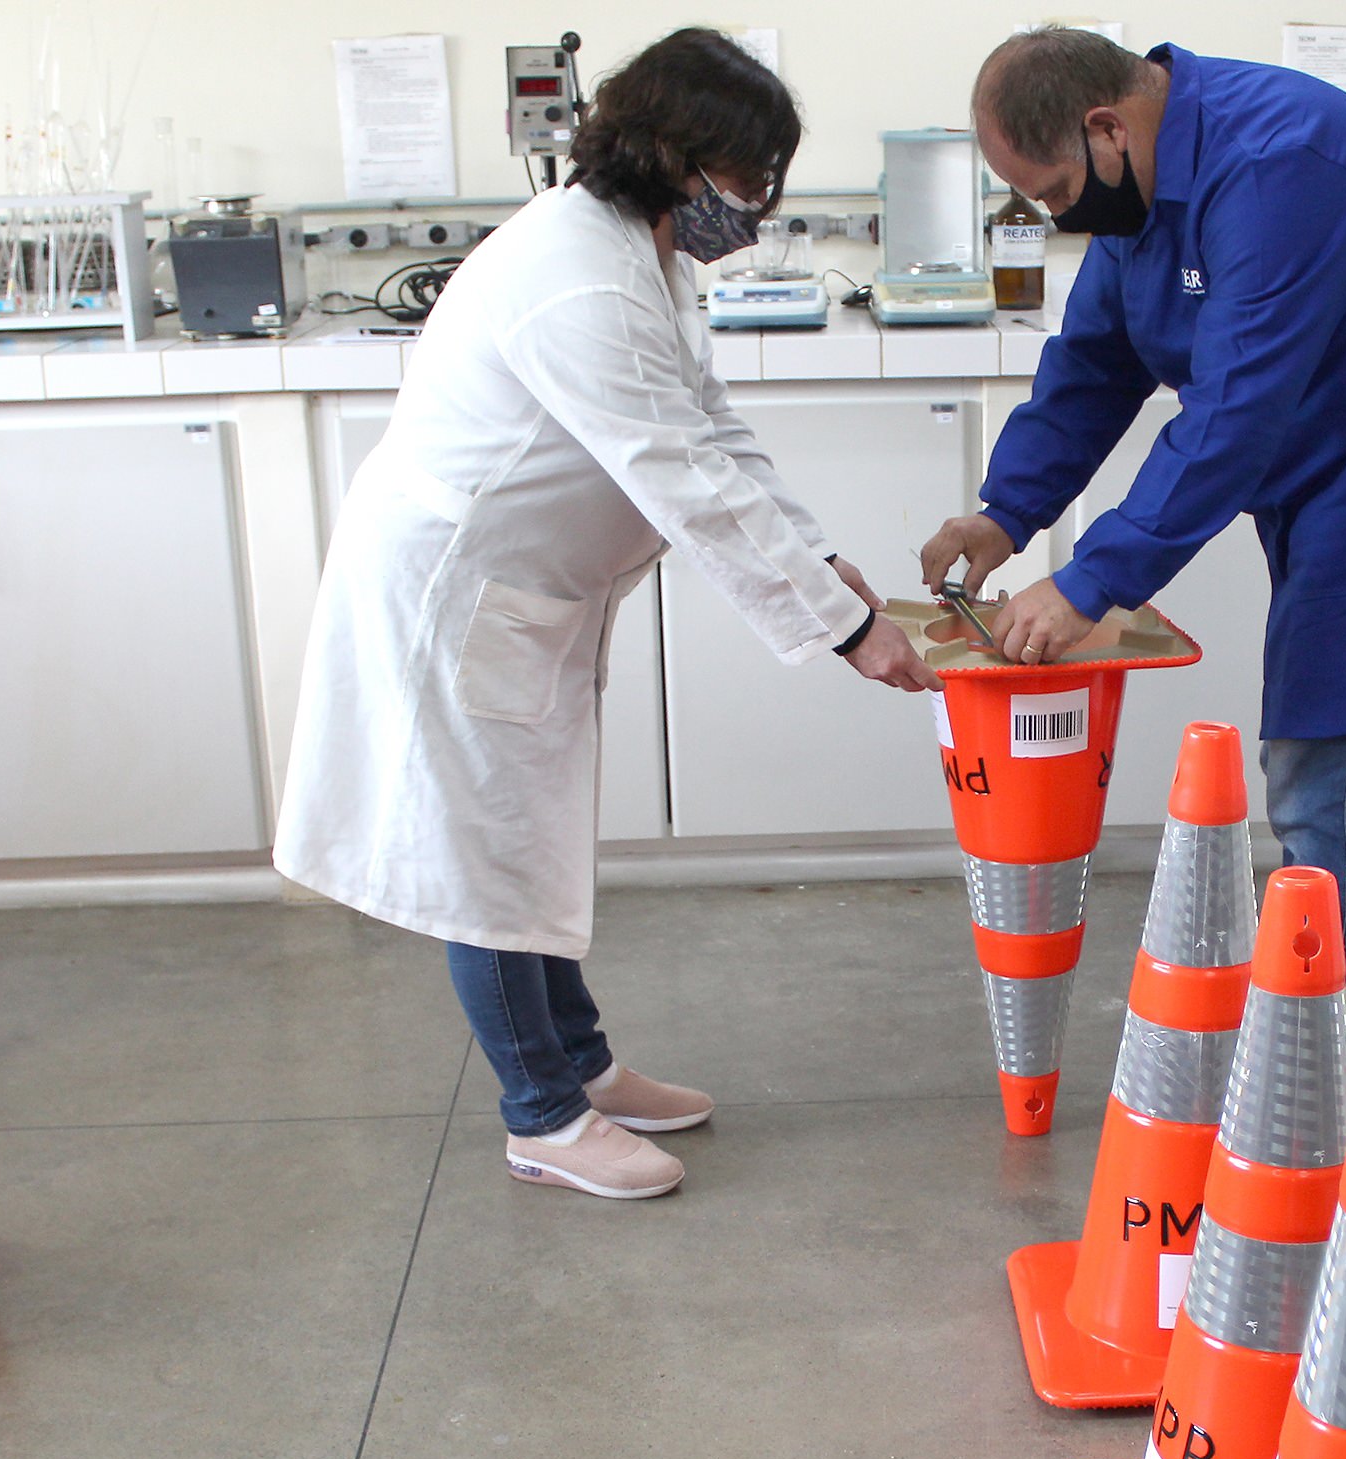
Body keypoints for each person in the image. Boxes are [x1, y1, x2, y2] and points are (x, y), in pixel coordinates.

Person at [276, 28, 936, 1200]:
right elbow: (679, 477)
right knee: (484, 858)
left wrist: (824, 559)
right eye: (747, 175)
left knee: (525, 836)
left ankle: (581, 1065)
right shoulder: (578, 274)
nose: (757, 203)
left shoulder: (642, 250)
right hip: (456, 596)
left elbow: (713, 431)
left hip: (524, 596)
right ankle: (541, 1115)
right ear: (676, 155)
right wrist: (845, 631)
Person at [922, 29, 1346, 1050]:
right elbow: (1095, 361)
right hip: (1311, 465)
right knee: (1313, 748)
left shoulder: (1281, 168)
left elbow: (1234, 413)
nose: (1058, 217)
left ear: (1107, 128)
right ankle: (1299, 1024)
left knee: (1324, 761)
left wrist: (1089, 583)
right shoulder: (1145, 181)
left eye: (1055, 193)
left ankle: (1313, 1065)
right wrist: (1005, 512)